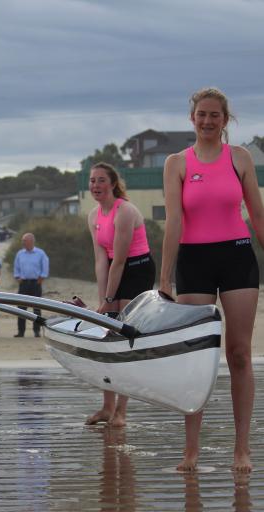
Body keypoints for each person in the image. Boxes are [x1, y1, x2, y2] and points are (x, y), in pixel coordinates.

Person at [160, 87, 264, 473]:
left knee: (238, 354)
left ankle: (241, 449)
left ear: (225, 120)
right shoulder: (176, 163)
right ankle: (191, 451)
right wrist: (165, 278)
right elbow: (173, 221)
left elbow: (257, 214)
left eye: (214, 115)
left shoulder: (240, 158)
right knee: (196, 360)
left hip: (237, 257)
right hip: (194, 261)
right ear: (192, 118)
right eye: (201, 114)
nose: (207, 121)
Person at [85, 162, 156, 427]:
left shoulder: (125, 211)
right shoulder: (93, 216)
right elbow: (101, 260)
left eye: (101, 180)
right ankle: (107, 407)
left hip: (136, 269)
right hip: (115, 269)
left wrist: (109, 301)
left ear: (113, 184)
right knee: (106, 336)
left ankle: (122, 413)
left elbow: (120, 262)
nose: (95, 186)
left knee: (123, 339)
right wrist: (102, 300)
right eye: (92, 181)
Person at [13, 233, 49, 337]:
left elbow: (45, 266)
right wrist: (17, 277)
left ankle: (37, 331)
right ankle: (21, 331)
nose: (23, 242)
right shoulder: (20, 253)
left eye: (25, 240)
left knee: (36, 309)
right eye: (22, 240)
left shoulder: (40, 253)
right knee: (21, 308)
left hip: (35, 283)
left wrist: (41, 278)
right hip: (23, 283)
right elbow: (16, 267)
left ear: (31, 241)